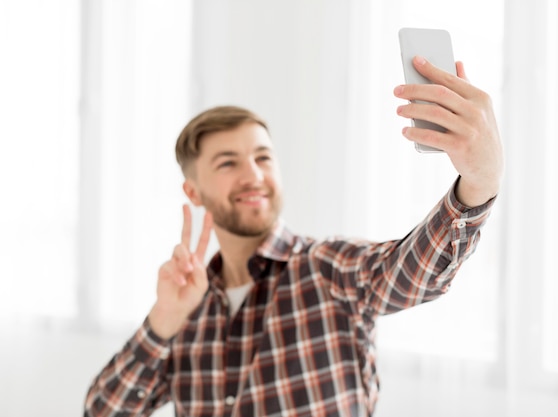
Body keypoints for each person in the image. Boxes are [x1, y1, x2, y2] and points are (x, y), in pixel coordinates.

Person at [84, 55, 503, 417]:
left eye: (263, 157)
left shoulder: (328, 270)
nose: (253, 175)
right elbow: (103, 410)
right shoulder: (184, 307)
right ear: (193, 191)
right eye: (228, 163)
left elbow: (414, 273)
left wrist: (477, 184)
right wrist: (162, 323)